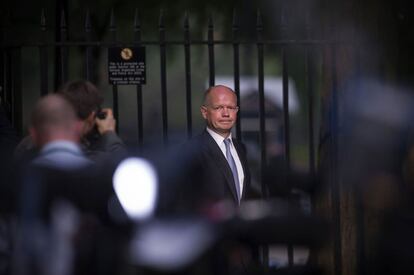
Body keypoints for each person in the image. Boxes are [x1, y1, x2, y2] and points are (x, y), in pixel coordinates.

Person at [14, 80, 126, 164]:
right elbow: (120, 168)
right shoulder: (93, 158)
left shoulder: (27, 145)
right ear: (92, 117)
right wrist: (109, 134)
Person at [179, 85, 251, 213]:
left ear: (237, 111)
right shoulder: (193, 151)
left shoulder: (241, 148)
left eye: (230, 108)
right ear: (204, 112)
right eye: (218, 108)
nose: (226, 113)